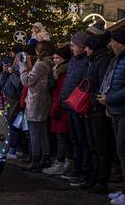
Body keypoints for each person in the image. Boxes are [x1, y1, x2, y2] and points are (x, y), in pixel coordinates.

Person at [98, 27, 125, 204]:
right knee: (121, 150)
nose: (110, 44)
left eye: (113, 41)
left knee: (124, 150)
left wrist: (110, 98)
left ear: (121, 42)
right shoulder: (118, 59)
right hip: (116, 110)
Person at [82, 26, 114, 193]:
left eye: (87, 47)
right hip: (91, 108)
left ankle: (101, 180)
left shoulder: (102, 60)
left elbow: (102, 84)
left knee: (101, 147)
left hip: (97, 110)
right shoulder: (94, 60)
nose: (85, 49)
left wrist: (93, 98)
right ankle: (94, 178)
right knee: (93, 146)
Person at [60, 31, 93, 187]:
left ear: (82, 46)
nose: (71, 48)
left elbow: (83, 83)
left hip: (79, 106)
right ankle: (77, 168)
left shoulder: (87, 61)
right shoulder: (74, 61)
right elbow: (68, 81)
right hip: (69, 104)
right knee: (74, 139)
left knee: (82, 139)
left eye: (74, 45)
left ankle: (83, 171)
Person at [19, 40, 55, 172]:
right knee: (43, 131)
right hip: (44, 99)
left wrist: (22, 66)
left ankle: (35, 159)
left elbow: (27, 81)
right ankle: (44, 157)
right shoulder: (50, 63)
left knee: (34, 131)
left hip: (36, 100)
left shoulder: (41, 64)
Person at [43, 44, 73, 176]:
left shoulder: (62, 72)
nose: (55, 60)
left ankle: (62, 162)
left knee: (62, 137)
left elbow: (60, 92)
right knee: (62, 136)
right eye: (54, 58)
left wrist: (55, 108)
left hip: (61, 108)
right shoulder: (57, 70)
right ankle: (65, 161)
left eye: (58, 58)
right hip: (58, 106)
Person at [0, 53, 23, 158]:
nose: (15, 61)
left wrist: (12, 74)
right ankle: (9, 146)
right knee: (8, 123)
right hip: (7, 100)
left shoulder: (19, 72)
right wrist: (4, 73)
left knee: (14, 124)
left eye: (18, 59)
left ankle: (14, 148)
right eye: (15, 59)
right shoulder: (12, 71)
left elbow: (20, 86)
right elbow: (2, 82)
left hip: (15, 101)